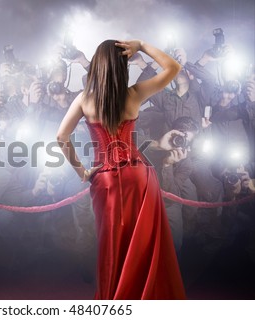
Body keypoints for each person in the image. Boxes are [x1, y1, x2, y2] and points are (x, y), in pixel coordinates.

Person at [56, 39, 186, 299]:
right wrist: (142, 46)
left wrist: (82, 172)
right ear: (122, 66)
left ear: (97, 65)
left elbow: (61, 137)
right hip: (139, 177)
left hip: (105, 180)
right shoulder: (134, 94)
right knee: (146, 246)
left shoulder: (84, 100)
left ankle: (114, 301)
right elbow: (173, 68)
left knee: (112, 245)